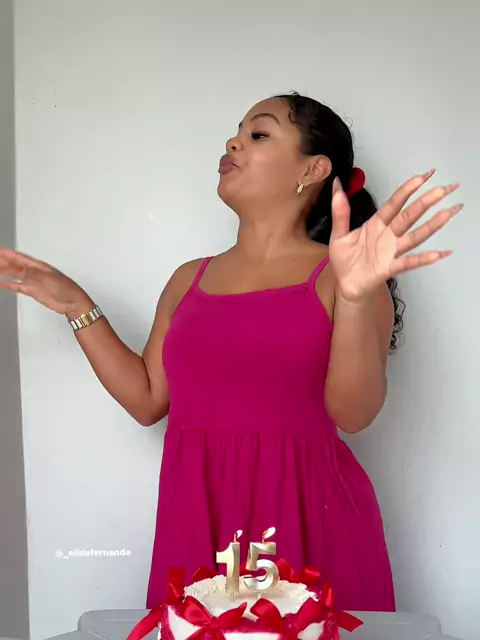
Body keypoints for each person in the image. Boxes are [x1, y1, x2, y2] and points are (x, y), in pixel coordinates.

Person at [0, 93, 461, 611]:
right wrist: (75, 304)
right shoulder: (188, 279)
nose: (233, 142)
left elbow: (354, 415)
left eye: (258, 134)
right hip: (199, 522)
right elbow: (147, 400)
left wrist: (355, 298)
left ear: (312, 169)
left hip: (309, 523)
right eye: (237, 131)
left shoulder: (346, 276)